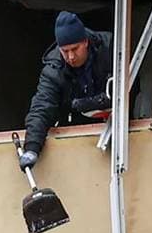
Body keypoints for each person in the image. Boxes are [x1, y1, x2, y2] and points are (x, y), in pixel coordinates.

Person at [16, 11, 111, 170]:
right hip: (75, 132)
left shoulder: (110, 48)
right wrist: (32, 148)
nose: (71, 57)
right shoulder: (54, 69)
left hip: (114, 128)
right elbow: (42, 107)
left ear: (85, 41)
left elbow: (131, 86)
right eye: (65, 51)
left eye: (75, 49)